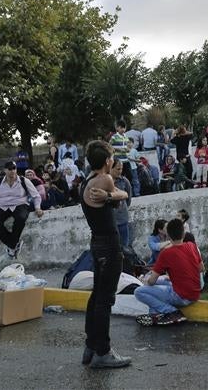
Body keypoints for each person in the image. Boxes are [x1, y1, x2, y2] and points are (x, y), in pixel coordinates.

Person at [78, 140, 131, 369]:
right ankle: (103, 351)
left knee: (96, 296)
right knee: (105, 299)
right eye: (111, 158)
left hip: (96, 243)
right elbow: (124, 194)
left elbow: (118, 195)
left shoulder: (86, 182)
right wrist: (114, 196)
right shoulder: (105, 179)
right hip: (109, 245)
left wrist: (111, 197)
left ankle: (91, 345)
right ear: (108, 161)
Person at [135, 218, 201, 326]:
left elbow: (151, 281)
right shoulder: (192, 246)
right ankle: (155, 313)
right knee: (160, 283)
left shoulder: (166, 253)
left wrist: (145, 281)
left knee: (139, 291)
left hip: (181, 296)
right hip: (195, 293)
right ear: (183, 234)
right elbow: (201, 268)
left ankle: (170, 311)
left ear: (168, 236)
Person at [0, 161, 43, 259]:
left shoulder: (24, 180)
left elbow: (36, 196)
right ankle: (13, 244)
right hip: (2, 206)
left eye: (14, 168)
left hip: (20, 204)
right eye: (10, 169)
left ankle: (11, 245)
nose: (12, 171)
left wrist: (38, 208)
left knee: (21, 218)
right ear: (5, 170)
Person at [111, 160, 132, 248]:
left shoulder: (124, 181)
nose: (120, 171)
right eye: (117, 169)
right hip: (110, 221)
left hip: (122, 219)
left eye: (121, 169)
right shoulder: (105, 182)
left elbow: (128, 199)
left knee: (124, 246)